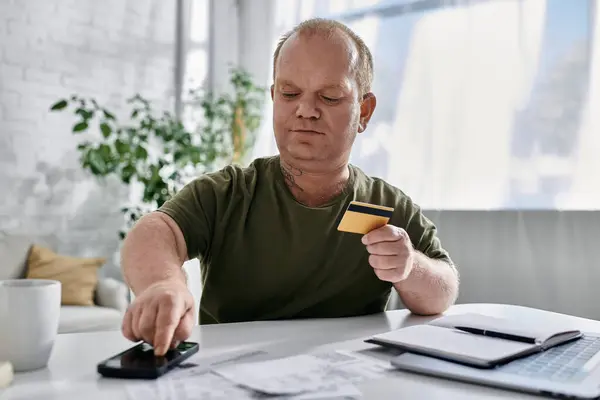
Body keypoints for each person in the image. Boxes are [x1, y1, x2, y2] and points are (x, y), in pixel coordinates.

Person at [120, 18, 459, 356]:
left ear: (364, 111)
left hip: (347, 379)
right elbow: (156, 230)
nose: (306, 110)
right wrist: (162, 283)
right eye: (290, 93)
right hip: (231, 374)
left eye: (329, 97)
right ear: (274, 98)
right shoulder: (230, 193)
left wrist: (409, 266)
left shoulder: (387, 205)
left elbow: (443, 291)